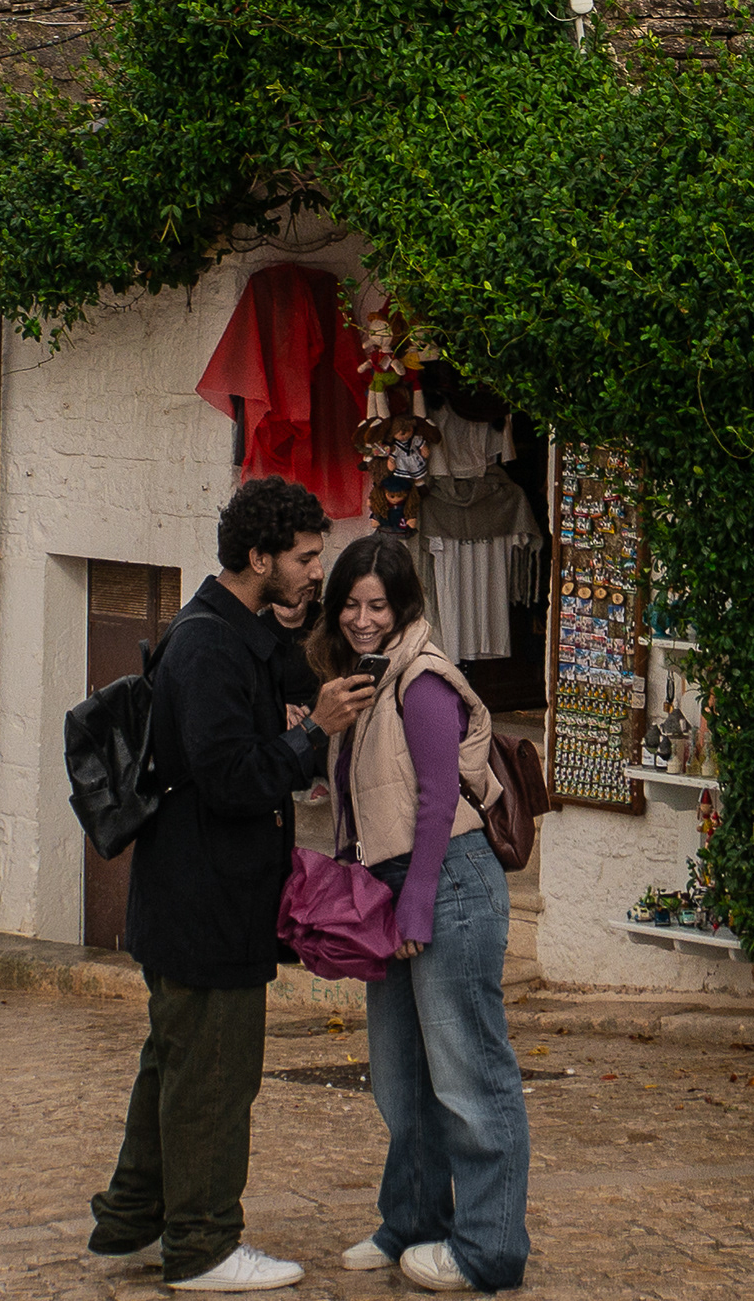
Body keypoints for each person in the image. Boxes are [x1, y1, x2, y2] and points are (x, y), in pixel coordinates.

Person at [92, 477, 376, 1291]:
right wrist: (309, 734)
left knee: (175, 1064)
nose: (315, 571)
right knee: (214, 1076)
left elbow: (293, 667)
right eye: (306, 557)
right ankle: (204, 1246)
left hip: (204, 897)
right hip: (203, 900)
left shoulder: (238, 626)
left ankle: (131, 1219)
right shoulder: (208, 645)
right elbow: (228, 779)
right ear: (259, 558)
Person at [312, 534, 529, 1293]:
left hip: (447, 886)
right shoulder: (363, 679)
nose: (362, 618)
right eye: (350, 604)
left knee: (470, 1075)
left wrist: (416, 908)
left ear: (403, 605)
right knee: (402, 1077)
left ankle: (489, 1249)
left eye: (377, 604)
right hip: (395, 888)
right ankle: (411, 1221)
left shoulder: (425, 680)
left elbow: (437, 802)